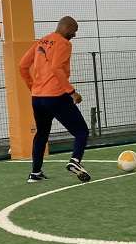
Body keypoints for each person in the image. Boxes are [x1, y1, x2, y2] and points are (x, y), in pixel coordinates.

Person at [19, 16, 91, 183]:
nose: (74, 35)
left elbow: (22, 66)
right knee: (81, 132)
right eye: (74, 31)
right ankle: (75, 161)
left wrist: (33, 87)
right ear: (66, 27)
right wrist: (72, 92)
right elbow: (56, 67)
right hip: (56, 96)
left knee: (41, 134)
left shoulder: (41, 41)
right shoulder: (64, 43)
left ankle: (35, 173)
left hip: (37, 98)